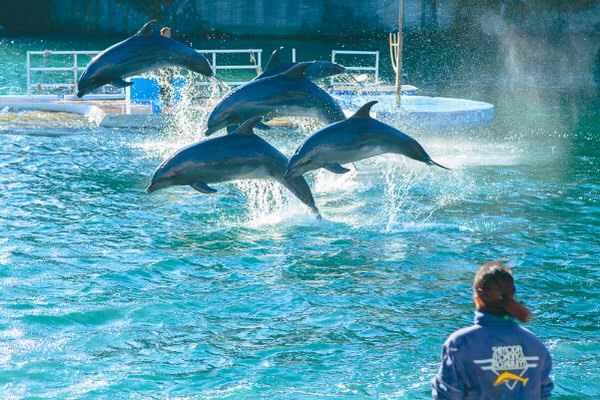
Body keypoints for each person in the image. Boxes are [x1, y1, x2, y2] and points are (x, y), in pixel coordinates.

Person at [431, 261, 553, 399]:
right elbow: (544, 391)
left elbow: (445, 394)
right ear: (512, 296)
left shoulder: (459, 344)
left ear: (477, 299)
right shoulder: (535, 344)